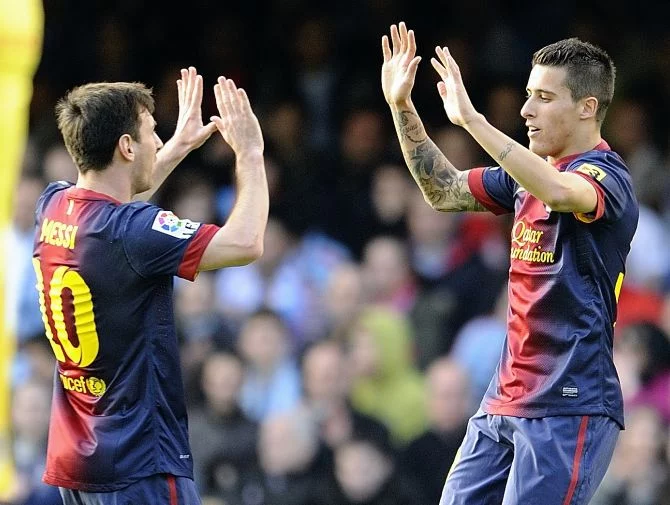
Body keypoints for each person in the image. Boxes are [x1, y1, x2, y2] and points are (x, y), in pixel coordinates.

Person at [381, 22, 639, 505]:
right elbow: (443, 191)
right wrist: (401, 106)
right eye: (527, 95)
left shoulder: (608, 177)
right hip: (503, 398)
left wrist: (472, 121)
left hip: (568, 402)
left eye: (544, 97)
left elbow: (560, 193)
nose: (526, 110)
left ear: (587, 108)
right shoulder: (524, 177)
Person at [32, 67, 269, 504]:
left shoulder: (53, 206)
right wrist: (251, 154)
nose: (158, 143)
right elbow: (245, 243)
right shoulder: (133, 230)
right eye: (152, 133)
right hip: (139, 463)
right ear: (126, 146)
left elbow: (115, 205)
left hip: (77, 461)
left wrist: (180, 144)